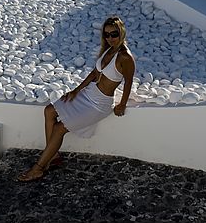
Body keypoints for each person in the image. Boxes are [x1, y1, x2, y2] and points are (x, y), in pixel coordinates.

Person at [17, 16, 136, 182]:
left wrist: (122, 104)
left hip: (99, 104)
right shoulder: (108, 50)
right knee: (49, 111)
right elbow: (95, 73)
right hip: (88, 94)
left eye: (114, 34)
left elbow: (129, 81)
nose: (110, 38)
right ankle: (54, 155)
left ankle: (39, 168)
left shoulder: (125, 57)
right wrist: (76, 90)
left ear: (121, 33)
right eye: (106, 35)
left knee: (60, 128)